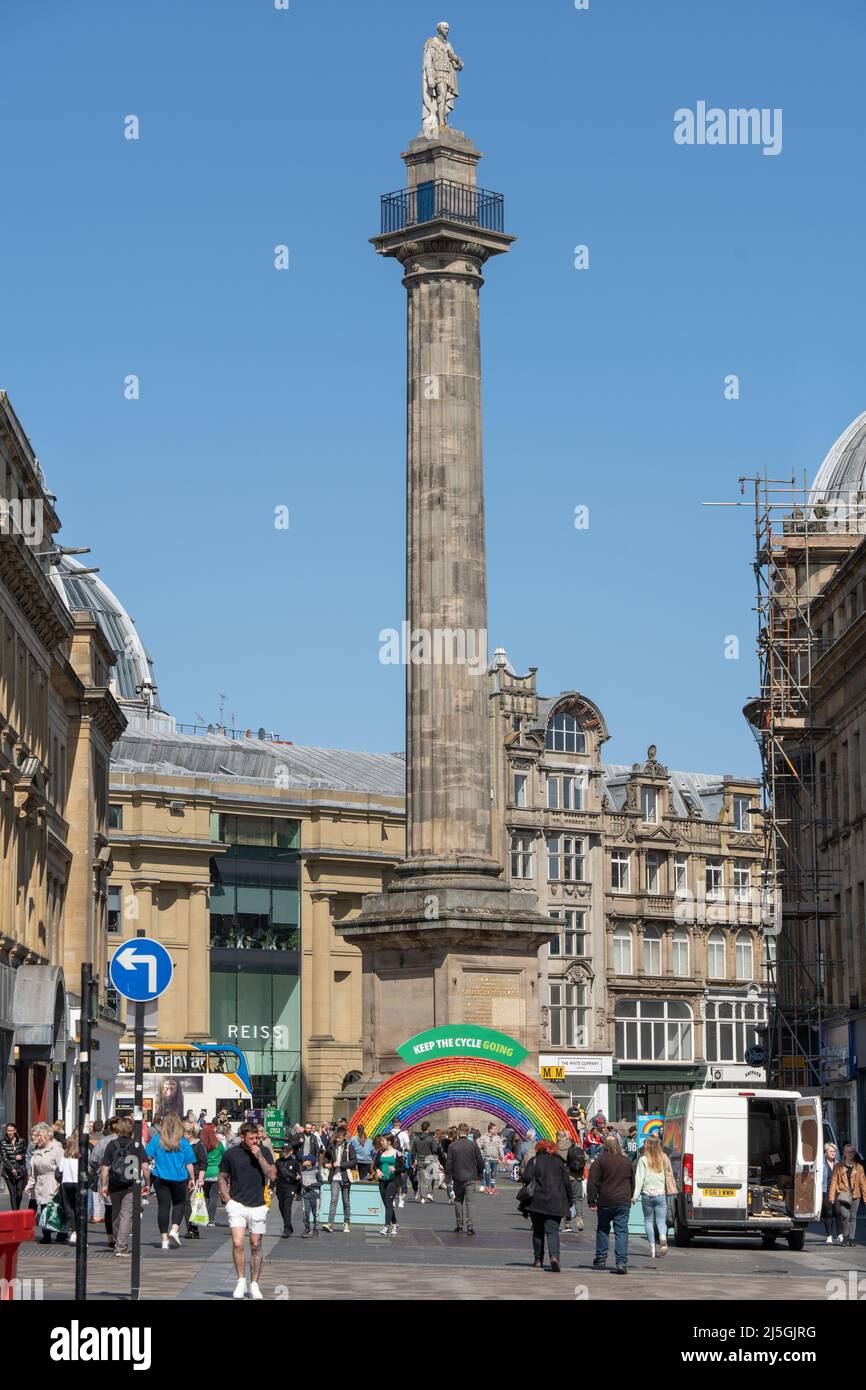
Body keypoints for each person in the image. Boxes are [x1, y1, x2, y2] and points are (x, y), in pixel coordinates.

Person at [218, 1120, 276, 1297]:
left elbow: (272, 1175)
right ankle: (240, 1280)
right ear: (242, 1137)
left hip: (258, 1204)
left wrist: (259, 1156)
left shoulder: (264, 1151)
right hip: (237, 1204)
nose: (254, 1141)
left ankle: (254, 1283)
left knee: (256, 1245)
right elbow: (222, 1176)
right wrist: (227, 1199)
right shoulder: (231, 1154)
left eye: (256, 1138)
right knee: (237, 1242)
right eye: (251, 1138)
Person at [519, 1138, 573, 1272]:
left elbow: (526, 1177)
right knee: (552, 1231)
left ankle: (538, 1259)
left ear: (539, 1149)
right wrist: (569, 1200)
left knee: (538, 1231)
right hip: (555, 1202)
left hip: (536, 1201)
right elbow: (567, 1183)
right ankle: (554, 1257)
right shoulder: (559, 1162)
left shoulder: (534, 1161)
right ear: (552, 1149)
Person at [145, 1112, 196, 1251]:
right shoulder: (184, 1142)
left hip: (161, 1179)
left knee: (163, 1207)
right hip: (179, 1179)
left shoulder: (157, 1140)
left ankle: (164, 1240)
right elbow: (189, 1164)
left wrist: (146, 1178)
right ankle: (174, 1229)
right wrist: (192, 1179)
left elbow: (147, 1158)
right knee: (179, 1204)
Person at [587, 1134, 634, 1275]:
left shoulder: (599, 1161)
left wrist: (591, 1201)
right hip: (622, 1200)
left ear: (604, 1146)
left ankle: (601, 1258)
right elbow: (632, 1182)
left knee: (603, 1229)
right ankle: (621, 1262)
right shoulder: (626, 1161)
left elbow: (592, 1182)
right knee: (621, 1230)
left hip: (606, 1200)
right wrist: (629, 1196)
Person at [632, 1135, 674, 1259]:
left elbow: (639, 1179)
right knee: (661, 1221)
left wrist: (634, 1196)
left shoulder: (643, 1160)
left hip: (647, 1194)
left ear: (648, 1145)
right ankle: (662, 1237)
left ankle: (652, 1248)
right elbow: (669, 1173)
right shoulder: (664, 1158)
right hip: (661, 1194)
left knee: (648, 1220)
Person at [99, 1116, 136, 1258]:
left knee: (116, 1212)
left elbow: (105, 1167)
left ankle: (116, 1241)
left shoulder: (111, 1144)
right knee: (127, 1214)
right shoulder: (135, 1145)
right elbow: (145, 1167)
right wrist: (147, 1183)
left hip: (114, 1183)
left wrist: (104, 1185)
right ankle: (121, 1246)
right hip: (131, 1184)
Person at [24, 1122, 64, 1243]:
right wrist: (30, 1185)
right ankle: (46, 1235)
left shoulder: (56, 1149)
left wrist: (61, 1184)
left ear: (46, 1135)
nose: (34, 1138)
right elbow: (33, 1170)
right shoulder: (37, 1150)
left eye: (37, 1136)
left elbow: (62, 1168)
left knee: (53, 1208)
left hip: (53, 1182)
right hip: (40, 1183)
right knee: (43, 1208)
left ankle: (62, 1232)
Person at [445, 1123, 484, 1235]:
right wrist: (480, 1175)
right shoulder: (473, 1145)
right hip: (471, 1177)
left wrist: (448, 1178)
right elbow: (480, 1161)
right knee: (470, 1202)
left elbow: (449, 1164)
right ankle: (470, 1227)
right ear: (467, 1133)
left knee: (458, 1201)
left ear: (458, 1132)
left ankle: (459, 1225)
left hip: (458, 1177)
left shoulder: (452, 1146)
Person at [828, 1141, 866, 1248]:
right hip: (843, 1195)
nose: (850, 1154)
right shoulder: (838, 1166)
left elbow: (863, 1183)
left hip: (855, 1195)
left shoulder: (859, 1167)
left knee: (853, 1217)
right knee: (845, 1216)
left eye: (852, 1152)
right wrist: (832, 1196)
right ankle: (845, 1236)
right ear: (844, 1153)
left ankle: (851, 1239)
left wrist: (865, 1197)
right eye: (848, 1152)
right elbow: (834, 1181)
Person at [90, 1117, 119, 1247]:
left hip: (105, 1178)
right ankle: (120, 1237)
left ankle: (110, 1238)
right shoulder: (128, 1141)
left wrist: (95, 1171)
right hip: (123, 1179)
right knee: (122, 1209)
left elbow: (93, 1160)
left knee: (109, 1208)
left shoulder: (102, 1142)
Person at [323, 1126, 353, 1233]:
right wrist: (328, 1164)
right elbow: (325, 1158)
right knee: (333, 1200)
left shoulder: (349, 1146)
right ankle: (330, 1223)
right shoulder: (331, 1146)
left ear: (344, 1137)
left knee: (346, 1201)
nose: (337, 1139)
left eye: (339, 1138)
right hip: (334, 1176)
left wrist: (341, 1164)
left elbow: (354, 1161)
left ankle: (346, 1222)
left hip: (345, 1177)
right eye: (336, 1137)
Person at [372, 1132, 403, 1237]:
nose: (381, 1142)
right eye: (381, 1141)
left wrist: (395, 1169)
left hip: (393, 1181)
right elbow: (375, 1165)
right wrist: (377, 1171)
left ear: (389, 1142)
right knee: (387, 1203)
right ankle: (395, 1224)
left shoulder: (397, 1153)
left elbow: (404, 1168)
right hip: (382, 1181)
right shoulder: (380, 1152)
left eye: (383, 1141)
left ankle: (386, 1226)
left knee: (389, 1201)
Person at [182, 1121, 207, 1238]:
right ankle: (191, 1228)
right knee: (187, 1203)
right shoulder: (183, 1144)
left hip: (195, 1178)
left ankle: (193, 1228)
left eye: (184, 1133)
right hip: (184, 1178)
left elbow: (203, 1164)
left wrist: (201, 1179)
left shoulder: (198, 1146)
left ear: (190, 1134)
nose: (182, 1135)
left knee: (191, 1203)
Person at [560, 1131, 586, 1234]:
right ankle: (579, 1216)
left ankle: (567, 1223)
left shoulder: (557, 1147)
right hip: (577, 1177)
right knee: (578, 1198)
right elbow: (586, 1158)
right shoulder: (577, 1145)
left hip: (564, 1177)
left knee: (566, 1199)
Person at [275, 1143, 302, 1237]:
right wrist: (271, 1187)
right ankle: (289, 1226)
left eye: (287, 1150)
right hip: (280, 1187)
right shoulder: (278, 1162)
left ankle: (286, 1229)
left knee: (287, 1207)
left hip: (291, 1187)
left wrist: (298, 1192)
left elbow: (299, 1177)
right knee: (281, 1207)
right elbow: (274, 1175)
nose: (285, 1152)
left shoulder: (295, 1163)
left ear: (291, 1151)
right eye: (283, 1150)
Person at [58, 1131, 81, 1242]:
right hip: (78, 1182)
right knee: (79, 1208)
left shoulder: (66, 1151)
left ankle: (73, 1231)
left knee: (69, 1208)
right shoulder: (84, 1150)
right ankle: (77, 1232)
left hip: (66, 1181)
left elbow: (60, 1169)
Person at [200, 1121, 223, 1224]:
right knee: (214, 1197)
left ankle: (203, 1217)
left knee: (205, 1196)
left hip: (204, 1173)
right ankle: (211, 1219)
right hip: (216, 1173)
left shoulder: (202, 1145)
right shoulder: (218, 1144)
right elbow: (225, 1155)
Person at [411, 1121, 439, 1203]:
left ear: (421, 1128)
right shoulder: (431, 1139)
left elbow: (413, 1152)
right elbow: (435, 1150)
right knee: (431, 1177)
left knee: (421, 1180)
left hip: (420, 1160)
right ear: (428, 1128)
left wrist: (413, 1161)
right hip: (429, 1160)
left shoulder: (416, 1139)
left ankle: (423, 1197)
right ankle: (430, 1193)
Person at [1, 1123, 28, 1210]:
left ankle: (17, 1210)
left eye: (11, 1130)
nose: (10, 1132)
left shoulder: (21, 1141)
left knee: (19, 1194)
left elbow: (26, 1153)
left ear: (15, 1131)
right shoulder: (3, 1142)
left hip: (20, 1171)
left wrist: (21, 1156)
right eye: (8, 1131)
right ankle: (15, 1213)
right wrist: (12, 1168)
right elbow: (4, 1158)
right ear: (6, 1131)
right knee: (13, 1194)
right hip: (8, 1173)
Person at [822, 1142, 842, 1244]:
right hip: (826, 1191)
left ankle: (840, 1235)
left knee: (839, 1212)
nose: (833, 1153)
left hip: (837, 1191)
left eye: (834, 1151)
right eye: (831, 1151)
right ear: (826, 1153)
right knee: (829, 1213)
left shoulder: (838, 1164)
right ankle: (829, 1236)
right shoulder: (822, 1164)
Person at [300, 1152, 322, 1238]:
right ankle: (307, 1228)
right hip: (305, 1195)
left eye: (306, 1160)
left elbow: (320, 1182)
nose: (304, 1161)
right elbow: (301, 1181)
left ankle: (316, 1229)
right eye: (304, 1160)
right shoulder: (302, 1170)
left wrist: (312, 1184)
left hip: (315, 1194)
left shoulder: (316, 1170)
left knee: (315, 1213)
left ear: (311, 1161)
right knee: (305, 1212)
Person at [478, 1123, 505, 1195]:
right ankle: (487, 1187)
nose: (496, 1130)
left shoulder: (498, 1138)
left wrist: (502, 1156)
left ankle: (493, 1188)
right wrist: (480, 1155)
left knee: (493, 1174)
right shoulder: (483, 1137)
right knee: (487, 1172)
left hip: (495, 1158)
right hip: (487, 1158)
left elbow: (500, 1148)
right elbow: (478, 1146)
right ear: (490, 1130)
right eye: (494, 1129)